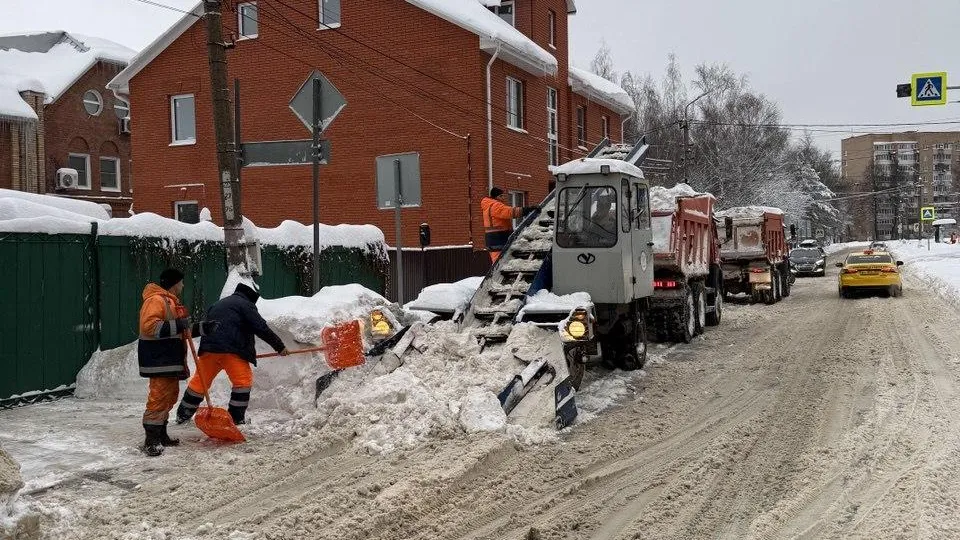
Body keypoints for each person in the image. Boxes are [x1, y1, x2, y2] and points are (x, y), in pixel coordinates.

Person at [176, 282, 288, 426]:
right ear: (250, 298)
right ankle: (236, 418)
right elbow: (261, 327)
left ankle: (183, 414)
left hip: (209, 349)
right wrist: (280, 346)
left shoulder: (218, 304)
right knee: (242, 382)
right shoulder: (245, 305)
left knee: (200, 382)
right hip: (232, 351)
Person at [137, 268, 217, 457]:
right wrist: (179, 325)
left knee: (170, 396)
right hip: (159, 359)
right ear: (174, 283)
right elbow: (149, 327)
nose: (183, 285)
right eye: (181, 282)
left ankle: (161, 433)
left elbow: (180, 330)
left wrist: (203, 328)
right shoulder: (155, 300)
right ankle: (151, 440)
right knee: (158, 398)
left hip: (169, 359)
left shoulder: (170, 302)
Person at [481, 187, 536, 262]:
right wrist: (526, 210)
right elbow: (510, 212)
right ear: (496, 196)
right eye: (501, 196)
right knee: (499, 262)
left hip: (495, 238)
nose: (503, 198)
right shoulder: (495, 205)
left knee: (499, 261)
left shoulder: (490, 205)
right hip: (498, 238)